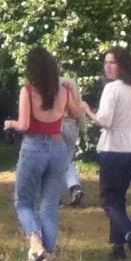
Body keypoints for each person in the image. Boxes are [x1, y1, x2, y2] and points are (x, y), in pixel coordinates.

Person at [4, 47, 80, 261]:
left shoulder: (28, 91)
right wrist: (72, 93)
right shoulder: (63, 91)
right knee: (49, 204)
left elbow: (25, 124)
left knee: (24, 202)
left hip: (33, 148)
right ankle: (50, 255)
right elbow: (75, 112)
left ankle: (35, 243)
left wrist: (9, 124)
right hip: (58, 149)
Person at [82, 46, 131, 261]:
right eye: (106, 63)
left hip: (113, 148)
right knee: (119, 198)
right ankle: (118, 246)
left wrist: (87, 110)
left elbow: (105, 121)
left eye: (112, 62)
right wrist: (130, 121)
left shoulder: (112, 89)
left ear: (122, 65)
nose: (108, 67)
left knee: (108, 200)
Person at [60, 75, 85, 207]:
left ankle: (55, 197)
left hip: (54, 125)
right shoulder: (70, 83)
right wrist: (83, 129)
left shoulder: (44, 83)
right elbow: (79, 107)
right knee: (67, 159)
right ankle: (75, 187)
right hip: (71, 124)